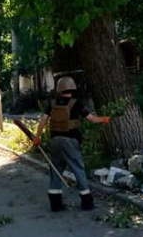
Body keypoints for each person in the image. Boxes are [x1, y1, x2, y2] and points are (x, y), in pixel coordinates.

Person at [33, 76, 110, 211]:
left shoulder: (52, 104)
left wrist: (37, 137)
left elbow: (43, 121)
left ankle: (55, 204)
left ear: (59, 90)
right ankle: (87, 202)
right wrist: (103, 119)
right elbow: (91, 119)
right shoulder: (76, 104)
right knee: (78, 169)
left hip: (55, 141)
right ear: (72, 88)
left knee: (56, 170)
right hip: (70, 141)